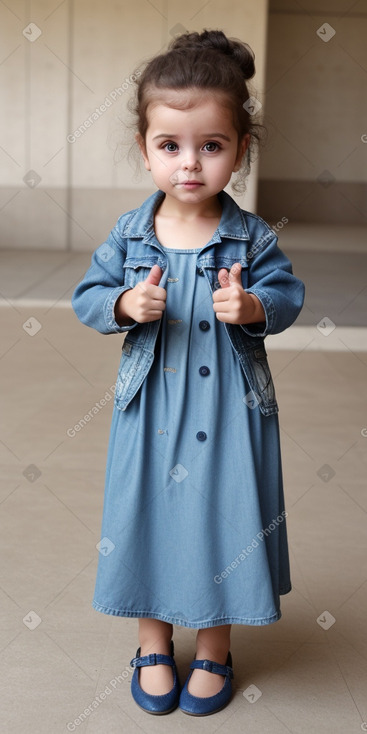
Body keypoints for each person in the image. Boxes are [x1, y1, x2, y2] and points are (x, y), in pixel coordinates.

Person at [71, 29, 305, 717]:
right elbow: (88, 295)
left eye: (211, 145)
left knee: (223, 517)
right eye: (169, 146)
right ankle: (151, 640)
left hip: (229, 407)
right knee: (147, 513)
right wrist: (122, 302)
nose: (190, 164)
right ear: (144, 148)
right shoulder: (128, 235)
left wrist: (254, 303)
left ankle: (214, 646)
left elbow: (287, 294)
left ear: (240, 149)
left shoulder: (251, 236)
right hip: (151, 409)